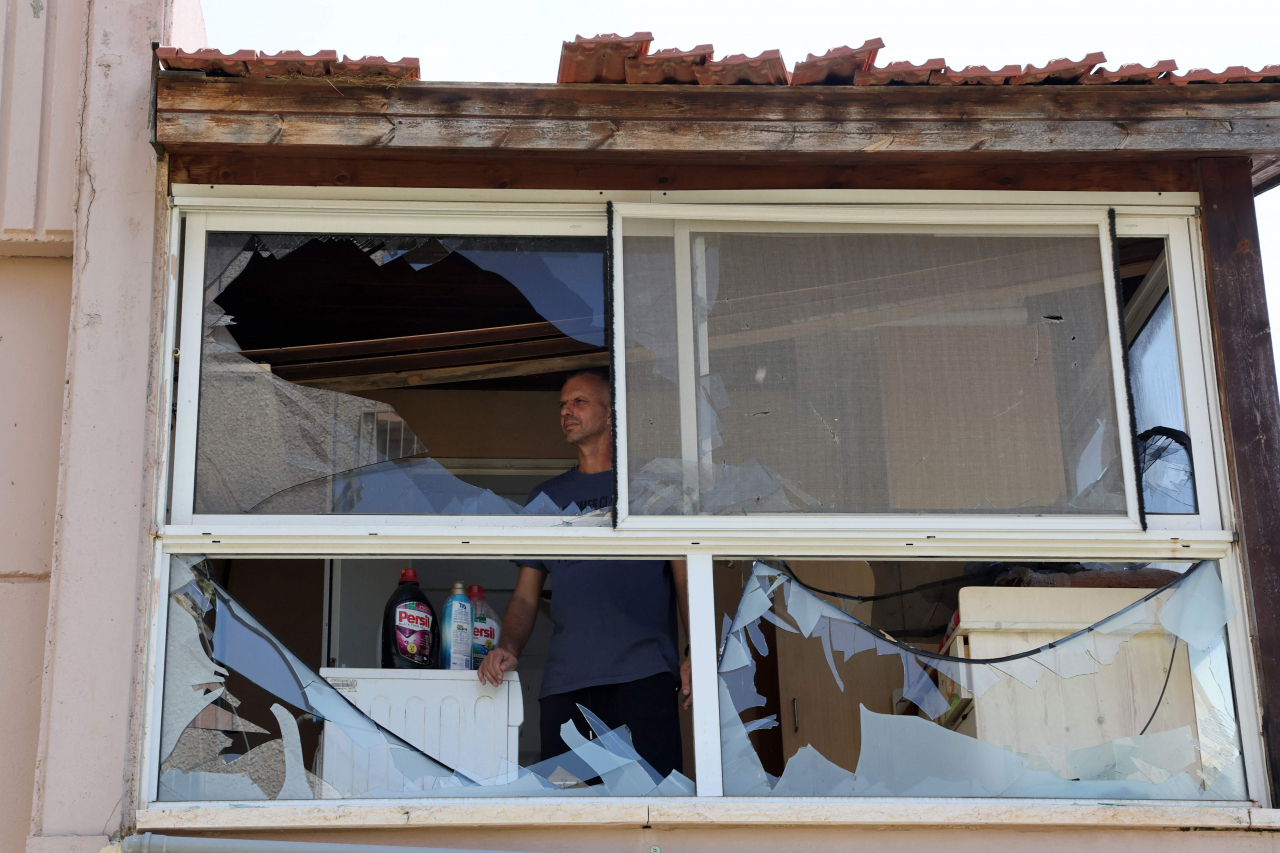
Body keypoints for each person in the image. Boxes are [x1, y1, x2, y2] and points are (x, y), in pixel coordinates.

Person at [477, 369, 691, 778]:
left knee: (648, 808)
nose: (566, 411)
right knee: (570, 816)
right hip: (565, 685)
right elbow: (525, 595)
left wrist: (694, 652)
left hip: (643, 677)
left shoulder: (653, 490)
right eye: (562, 404)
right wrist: (508, 647)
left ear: (610, 415)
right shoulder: (547, 498)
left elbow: (686, 578)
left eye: (579, 402)